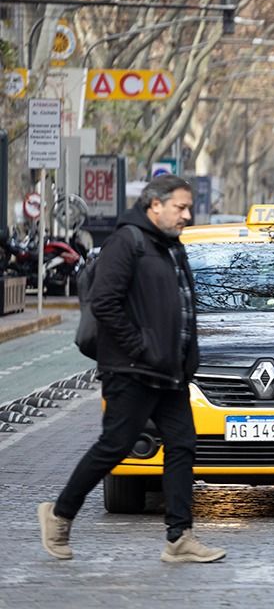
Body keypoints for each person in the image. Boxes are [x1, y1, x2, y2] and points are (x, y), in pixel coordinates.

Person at [38, 175, 225, 563]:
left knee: (182, 446)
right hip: (132, 370)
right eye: (181, 207)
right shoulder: (128, 242)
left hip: (169, 372)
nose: (187, 215)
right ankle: (58, 515)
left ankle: (179, 538)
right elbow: (105, 303)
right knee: (115, 447)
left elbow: (182, 303)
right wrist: (142, 348)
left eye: (188, 208)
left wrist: (186, 356)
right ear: (154, 205)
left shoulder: (170, 246)